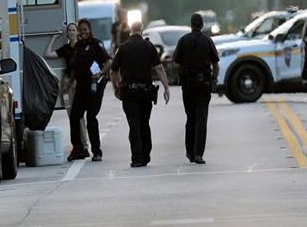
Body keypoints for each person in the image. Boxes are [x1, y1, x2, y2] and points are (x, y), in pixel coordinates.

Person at [110, 21, 170, 167]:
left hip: (129, 93)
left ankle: (136, 158)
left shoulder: (123, 48)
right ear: (142, 30)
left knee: (134, 125)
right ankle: (146, 156)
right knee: (144, 123)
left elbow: (113, 70)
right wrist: (166, 87)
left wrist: (116, 86)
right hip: (145, 93)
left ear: (131, 30)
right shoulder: (149, 46)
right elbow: (159, 68)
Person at [172, 13, 219, 164]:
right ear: (202, 25)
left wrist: (185, 69)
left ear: (191, 24)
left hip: (188, 85)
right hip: (204, 85)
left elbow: (175, 63)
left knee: (190, 118)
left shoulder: (183, 41)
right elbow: (216, 64)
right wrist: (214, 78)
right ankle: (199, 154)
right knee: (201, 118)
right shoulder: (207, 41)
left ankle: (190, 152)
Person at [62, 18, 111, 162]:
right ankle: (79, 149)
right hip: (81, 86)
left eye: (85, 30)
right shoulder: (77, 48)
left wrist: (101, 73)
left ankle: (97, 151)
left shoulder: (96, 44)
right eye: (80, 30)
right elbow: (74, 70)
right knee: (75, 116)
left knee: (91, 118)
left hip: (94, 86)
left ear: (89, 30)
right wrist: (69, 84)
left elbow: (109, 61)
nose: (82, 32)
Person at [44, 23, 88, 152]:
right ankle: (77, 145)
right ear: (67, 33)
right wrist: (53, 38)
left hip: (79, 82)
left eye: (74, 30)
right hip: (67, 84)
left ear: (77, 32)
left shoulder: (83, 47)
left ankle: (84, 144)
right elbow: (48, 54)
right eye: (69, 30)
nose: (71, 32)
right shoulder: (66, 48)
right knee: (71, 114)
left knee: (80, 116)